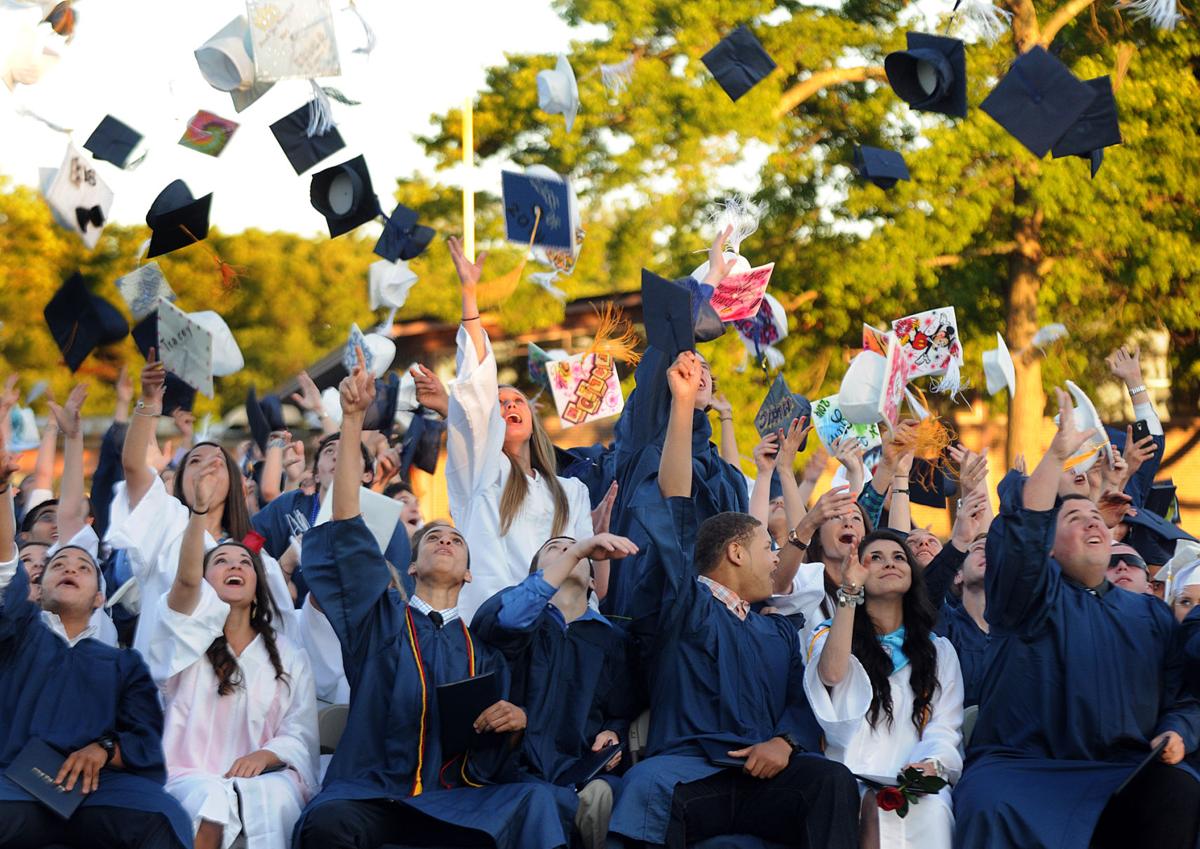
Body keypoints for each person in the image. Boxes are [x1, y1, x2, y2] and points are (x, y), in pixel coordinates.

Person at [294, 347, 571, 849]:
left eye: (456, 540)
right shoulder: (377, 622)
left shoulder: (483, 652)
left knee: (536, 802)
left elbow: (490, 755)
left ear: (469, 574)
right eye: (433, 538)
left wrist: (513, 724)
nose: (444, 539)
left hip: (454, 800)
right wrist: (352, 419)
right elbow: (348, 533)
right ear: (412, 565)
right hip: (373, 794)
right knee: (328, 824)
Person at [609, 351, 859, 849]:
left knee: (831, 782)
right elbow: (676, 505)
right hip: (691, 773)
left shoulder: (777, 629)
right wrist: (684, 407)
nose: (777, 560)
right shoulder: (687, 604)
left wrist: (784, 743)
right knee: (644, 792)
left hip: (763, 775)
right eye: (769, 547)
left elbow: (797, 701)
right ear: (736, 552)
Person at [953, 388, 1200, 849]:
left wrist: (1178, 731)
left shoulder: (1149, 614)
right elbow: (1025, 529)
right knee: (988, 804)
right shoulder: (1027, 596)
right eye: (1074, 519)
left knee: (1179, 787)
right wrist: (1058, 456)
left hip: (1121, 770)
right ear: (1048, 545)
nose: (1091, 523)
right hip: (1021, 768)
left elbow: (1183, 695)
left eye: (1096, 519)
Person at [0, 443, 192, 849]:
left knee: (163, 815)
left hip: (99, 789)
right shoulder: (17, 632)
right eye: (58, 565)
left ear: (100, 597)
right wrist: (3, 490)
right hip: (14, 782)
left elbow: (143, 738)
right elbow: (4, 566)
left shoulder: (123, 664)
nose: (70, 567)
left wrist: (105, 749)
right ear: (39, 587)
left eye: (84, 567)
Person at [148, 451, 319, 849]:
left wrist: (267, 755)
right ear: (203, 579)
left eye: (244, 561)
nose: (234, 566)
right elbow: (186, 584)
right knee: (211, 800)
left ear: (257, 583)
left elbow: (300, 731)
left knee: (273, 796)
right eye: (220, 561)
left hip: (265, 776)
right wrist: (199, 512)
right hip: (188, 773)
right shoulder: (183, 638)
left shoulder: (288, 654)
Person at [444, 235, 596, 623]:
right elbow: (475, 391)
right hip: (501, 627)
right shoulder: (481, 474)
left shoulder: (572, 491)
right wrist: (469, 295)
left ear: (532, 422)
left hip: (564, 624)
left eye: (517, 401)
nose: (509, 404)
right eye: (499, 402)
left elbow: (586, 571)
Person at [106, 353, 295, 658]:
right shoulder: (166, 519)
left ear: (234, 483)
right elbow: (133, 466)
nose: (206, 467)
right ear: (180, 481)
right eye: (194, 461)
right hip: (163, 686)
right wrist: (147, 402)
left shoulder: (251, 555)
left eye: (218, 462)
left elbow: (279, 631)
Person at [472, 532, 644, 849]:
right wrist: (577, 552)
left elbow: (622, 708)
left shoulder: (613, 640)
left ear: (593, 583)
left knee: (610, 797)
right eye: (556, 549)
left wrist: (613, 730)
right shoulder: (515, 614)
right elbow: (510, 620)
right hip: (510, 767)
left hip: (580, 769)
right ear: (537, 576)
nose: (569, 552)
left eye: (575, 551)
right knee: (540, 803)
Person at [806, 529, 963, 848]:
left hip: (914, 776)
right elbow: (833, 676)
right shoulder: (828, 636)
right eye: (874, 558)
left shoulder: (938, 650)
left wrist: (929, 765)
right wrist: (849, 592)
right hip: (847, 773)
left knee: (931, 812)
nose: (889, 563)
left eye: (899, 557)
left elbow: (945, 725)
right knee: (864, 812)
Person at [249, 426, 412, 601]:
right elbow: (248, 545)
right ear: (316, 475)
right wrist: (279, 571)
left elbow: (400, 594)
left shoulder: (389, 522)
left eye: (348, 451)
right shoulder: (290, 505)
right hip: (295, 621)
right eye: (329, 451)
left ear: (367, 475)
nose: (337, 456)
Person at [935, 534, 989, 707]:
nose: (989, 554)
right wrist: (959, 540)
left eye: (997, 550)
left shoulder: (1021, 630)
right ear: (958, 575)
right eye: (979, 549)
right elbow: (925, 596)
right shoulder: (946, 622)